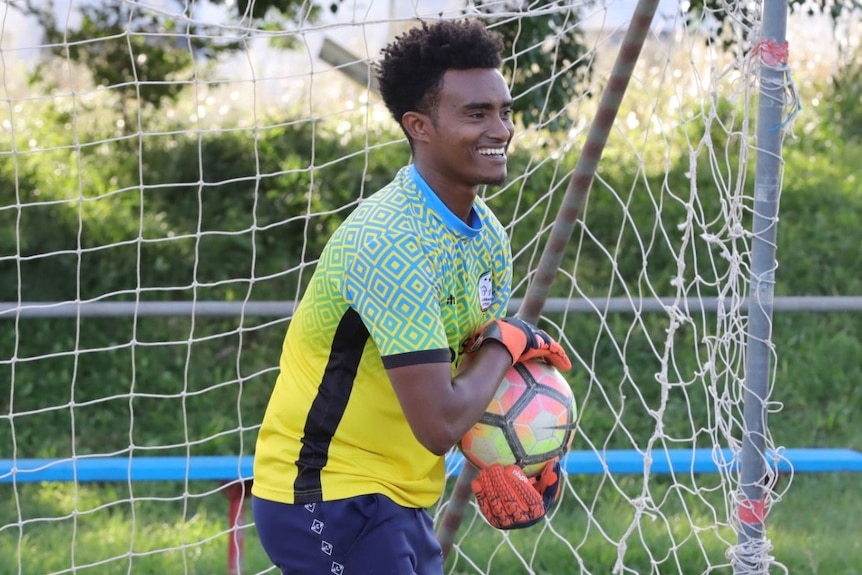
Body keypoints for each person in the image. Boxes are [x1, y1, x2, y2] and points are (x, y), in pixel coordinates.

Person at [251, 19, 572, 575]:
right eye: (476, 113)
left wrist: (523, 458)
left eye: (504, 110)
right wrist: (508, 341)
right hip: (324, 497)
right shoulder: (388, 242)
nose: (501, 129)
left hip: (400, 498)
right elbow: (440, 422)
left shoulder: (486, 236)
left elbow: (470, 384)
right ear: (418, 125)